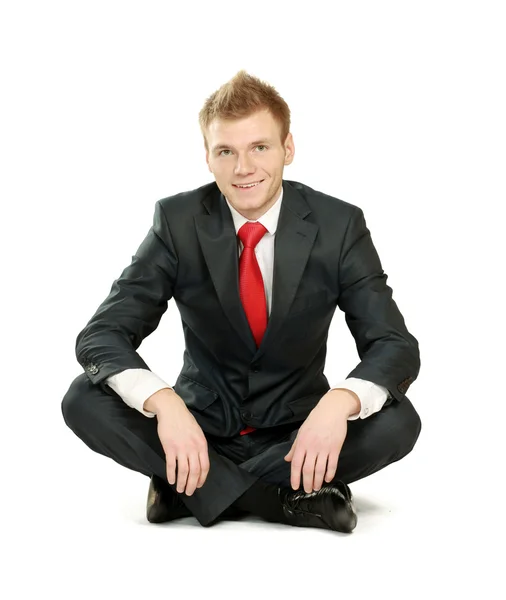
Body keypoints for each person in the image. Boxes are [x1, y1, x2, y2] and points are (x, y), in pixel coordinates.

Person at [61, 70, 422, 533]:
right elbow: (103, 334)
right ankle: (289, 497)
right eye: (226, 151)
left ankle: (192, 490)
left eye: (260, 148)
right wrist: (164, 403)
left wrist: (340, 403)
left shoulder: (339, 225)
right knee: (82, 398)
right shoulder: (177, 220)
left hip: (298, 432)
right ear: (208, 158)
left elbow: (393, 344)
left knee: (399, 421)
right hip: (199, 429)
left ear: (287, 148)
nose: (243, 168)